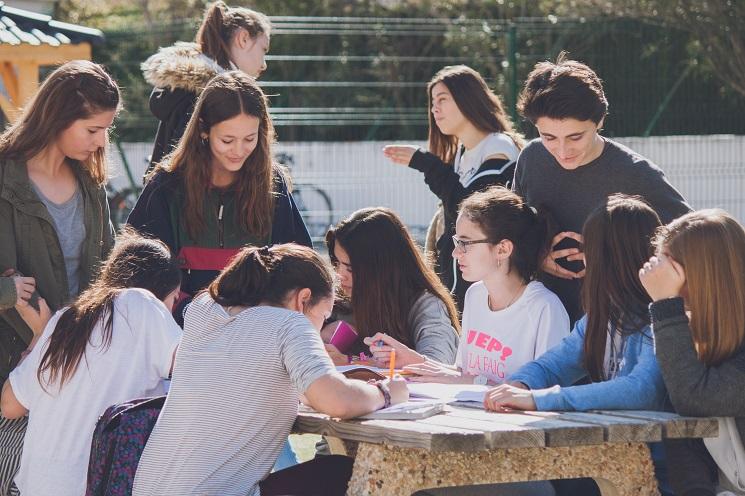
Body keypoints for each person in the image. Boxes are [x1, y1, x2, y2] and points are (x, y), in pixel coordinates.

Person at [132, 244, 408, 496]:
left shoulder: (203, 309)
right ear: (303, 299)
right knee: (338, 471)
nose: (321, 330)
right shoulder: (289, 324)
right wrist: (386, 392)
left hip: (149, 487)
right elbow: (337, 401)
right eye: (323, 316)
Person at [484, 194, 671, 495]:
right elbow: (553, 364)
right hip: (608, 464)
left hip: (659, 475)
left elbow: (642, 390)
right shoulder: (604, 315)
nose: (584, 258)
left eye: (589, 249)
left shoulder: (665, 315)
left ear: (610, 257)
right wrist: (522, 384)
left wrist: (541, 400)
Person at [0, 60, 120, 496]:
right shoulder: (3, 175)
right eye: (92, 129)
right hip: (11, 373)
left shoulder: (91, 185)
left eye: (107, 128)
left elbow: (109, 272)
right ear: (58, 117)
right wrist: (6, 293)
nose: (102, 140)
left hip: (78, 369)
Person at [0, 230, 182, 496]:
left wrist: (40, 334)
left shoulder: (66, 318)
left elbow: (9, 405)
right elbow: (194, 372)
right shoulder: (143, 304)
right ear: (158, 289)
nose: (172, 311)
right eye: (174, 299)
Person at [512, 53, 690, 324]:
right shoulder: (531, 157)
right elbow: (513, 230)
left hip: (621, 328)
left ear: (600, 121)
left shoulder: (637, 174)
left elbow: (696, 243)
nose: (562, 150)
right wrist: (536, 257)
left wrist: (610, 258)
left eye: (575, 137)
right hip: (544, 320)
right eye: (548, 137)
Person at [128, 71, 310, 324]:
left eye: (250, 139)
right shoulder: (167, 186)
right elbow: (140, 272)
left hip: (258, 334)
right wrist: (197, 312)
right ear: (203, 129)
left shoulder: (272, 184)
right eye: (227, 140)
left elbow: (298, 264)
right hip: (183, 336)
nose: (238, 151)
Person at [384, 186, 569, 386]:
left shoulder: (545, 308)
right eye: (457, 242)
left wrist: (475, 381)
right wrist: (413, 361)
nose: (455, 253)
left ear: (503, 249)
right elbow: (462, 374)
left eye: (465, 243)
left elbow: (546, 395)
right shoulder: (475, 295)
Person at [383, 65, 523, 310]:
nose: (434, 108)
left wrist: (424, 162)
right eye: (432, 101)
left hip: (490, 290)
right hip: (462, 285)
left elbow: (469, 210)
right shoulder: (462, 153)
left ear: (467, 99)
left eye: (443, 99)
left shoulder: (498, 147)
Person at [640, 209, 745, 496]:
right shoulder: (687, 337)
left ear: (706, 275)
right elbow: (682, 436)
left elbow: (696, 397)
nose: (659, 280)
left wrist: (665, 306)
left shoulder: (673, 325)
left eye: (670, 271)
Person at [322, 207, 460, 368]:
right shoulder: (334, 303)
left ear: (382, 269)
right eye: (336, 263)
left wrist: (352, 361)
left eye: (350, 268)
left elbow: (436, 365)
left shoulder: (426, 306)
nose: (339, 275)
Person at [142, 1, 271, 171]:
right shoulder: (208, 96)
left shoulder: (189, 90)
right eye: (263, 50)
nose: (264, 65)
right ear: (244, 38)